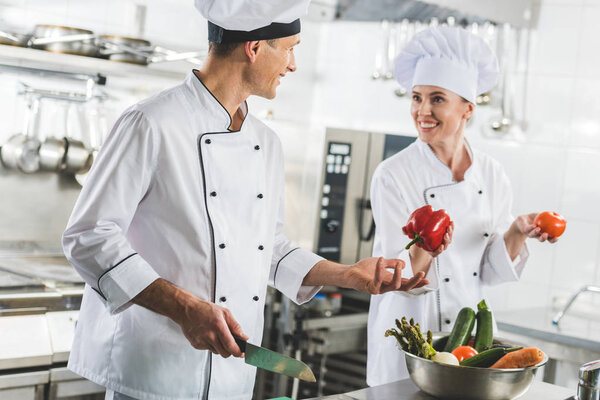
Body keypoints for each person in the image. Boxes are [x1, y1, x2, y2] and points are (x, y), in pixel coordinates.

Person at [62, 1, 429, 399]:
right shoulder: (151, 123)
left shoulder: (265, 143)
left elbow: (266, 247)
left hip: (231, 377)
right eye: (289, 47)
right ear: (254, 47)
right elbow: (89, 236)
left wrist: (347, 274)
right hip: (153, 375)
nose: (292, 65)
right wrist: (185, 308)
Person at [366, 26, 560, 386]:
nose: (422, 111)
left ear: (467, 108)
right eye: (416, 98)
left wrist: (518, 230)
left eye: (437, 99)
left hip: (471, 338)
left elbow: (490, 271)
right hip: (412, 334)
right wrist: (427, 248)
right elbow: (397, 273)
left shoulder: (492, 174)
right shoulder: (393, 174)